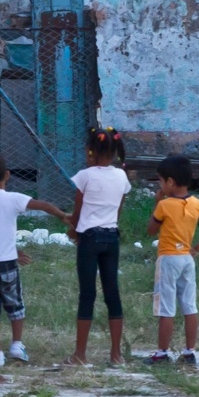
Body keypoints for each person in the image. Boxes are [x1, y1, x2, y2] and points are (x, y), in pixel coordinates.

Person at [0, 154, 68, 368]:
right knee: (15, 305)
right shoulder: (14, 199)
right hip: (7, 264)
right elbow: (44, 205)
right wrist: (62, 215)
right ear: (7, 175)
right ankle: (16, 344)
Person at [67, 127, 132, 365]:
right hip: (111, 237)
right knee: (112, 293)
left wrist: (72, 229)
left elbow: (78, 210)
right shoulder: (122, 177)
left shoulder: (85, 176)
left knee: (87, 293)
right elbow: (118, 209)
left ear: (91, 151)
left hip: (89, 238)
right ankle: (116, 355)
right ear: (114, 152)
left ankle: (80, 354)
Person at [146, 154, 199, 367]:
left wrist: (157, 203)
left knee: (166, 307)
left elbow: (151, 230)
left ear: (169, 182)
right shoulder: (197, 204)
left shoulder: (165, 205)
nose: (159, 184)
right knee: (189, 305)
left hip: (169, 258)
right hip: (187, 258)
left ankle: (162, 353)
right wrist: (196, 249)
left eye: (160, 180)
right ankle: (189, 352)